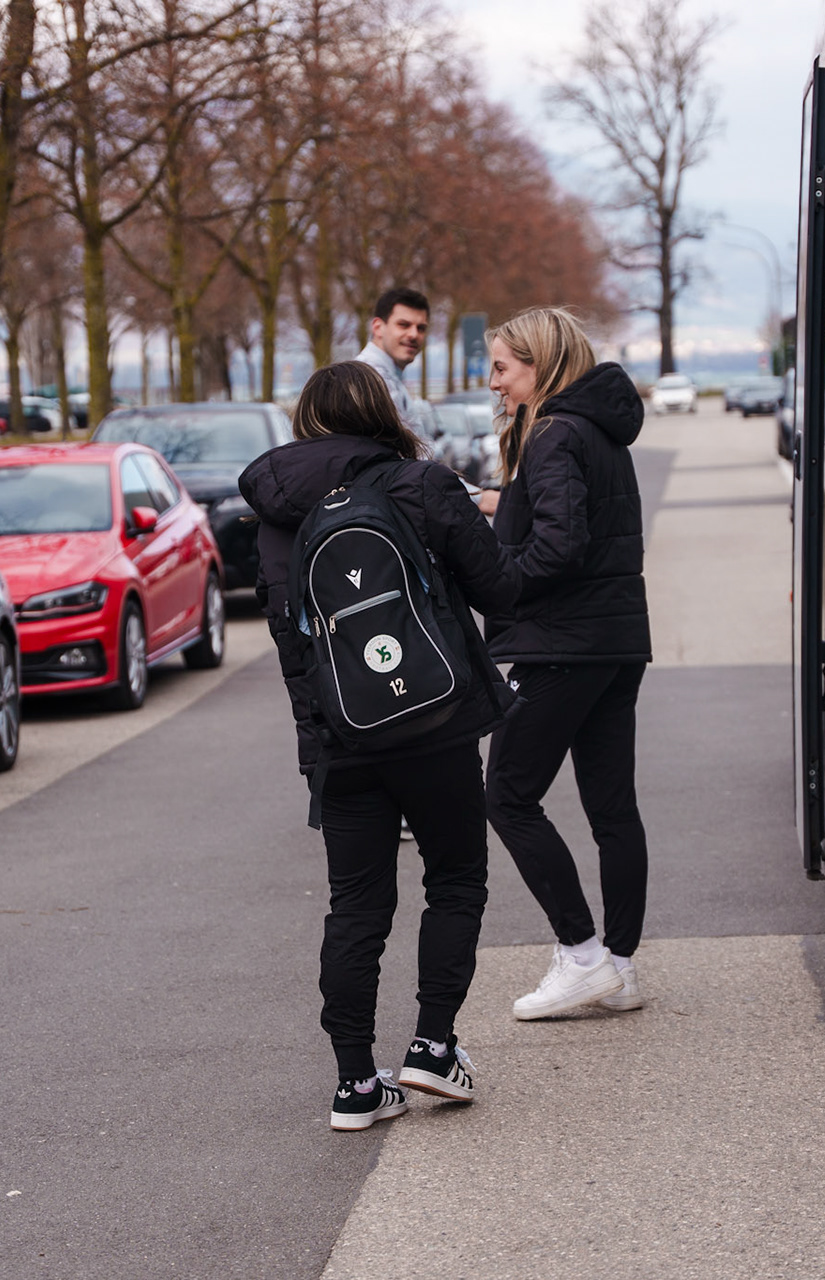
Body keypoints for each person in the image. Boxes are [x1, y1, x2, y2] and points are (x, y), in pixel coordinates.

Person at [238, 360, 520, 1131]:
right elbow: (498, 589)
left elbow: (291, 644)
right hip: (437, 726)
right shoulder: (420, 484)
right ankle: (433, 1047)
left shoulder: (274, 515)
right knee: (456, 879)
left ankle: (357, 1085)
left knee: (355, 906)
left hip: (340, 738)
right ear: (381, 412)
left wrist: (318, 740)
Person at [481, 307, 653, 1020]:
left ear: (540, 364)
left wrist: (499, 578)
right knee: (613, 808)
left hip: (561, 646)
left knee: (508, 796)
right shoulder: (600, 431)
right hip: (616, 641)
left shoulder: (551, 433)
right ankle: (619, 965)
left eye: (502, 368)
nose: (493, 384)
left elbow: (560, 546)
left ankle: (581, 955)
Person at [355, 287, 434, 435]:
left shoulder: (389, 378)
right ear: (378, 328)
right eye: (403, 325)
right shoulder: (368, 382)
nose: (414, 334)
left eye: (421, 328)